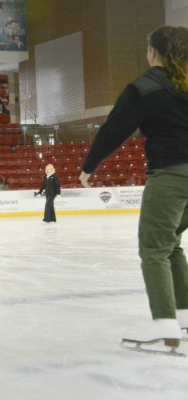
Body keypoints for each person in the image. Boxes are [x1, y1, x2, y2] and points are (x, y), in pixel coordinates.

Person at [79, 26, 188, 348]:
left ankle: (165, 323)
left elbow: (115, 129)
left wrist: (89, 166)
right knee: (172, 246)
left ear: (153, 52)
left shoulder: (144, 87)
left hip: (172, 174)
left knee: (153, 248)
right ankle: (183, 316)